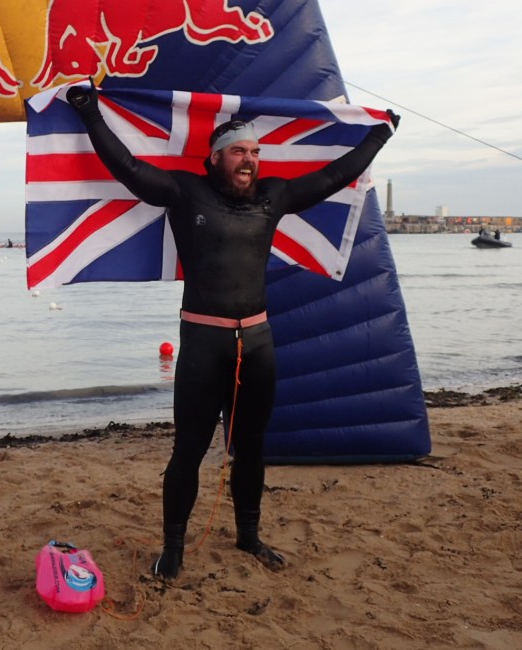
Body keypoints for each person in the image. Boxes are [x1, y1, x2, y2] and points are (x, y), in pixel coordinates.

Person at [65, 83, 398, 578]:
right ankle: (173, 549)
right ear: (216, 158)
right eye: (240, 152)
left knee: (251, 447)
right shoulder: (185, 192)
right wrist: (91, 114)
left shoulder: (273, 196)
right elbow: (129, 170)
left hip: (258, 344)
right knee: (190, 449)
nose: (250, 160)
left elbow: (333, 177)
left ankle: (248, 536)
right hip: (204, 343)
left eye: (255, 153)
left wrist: (378, 137)